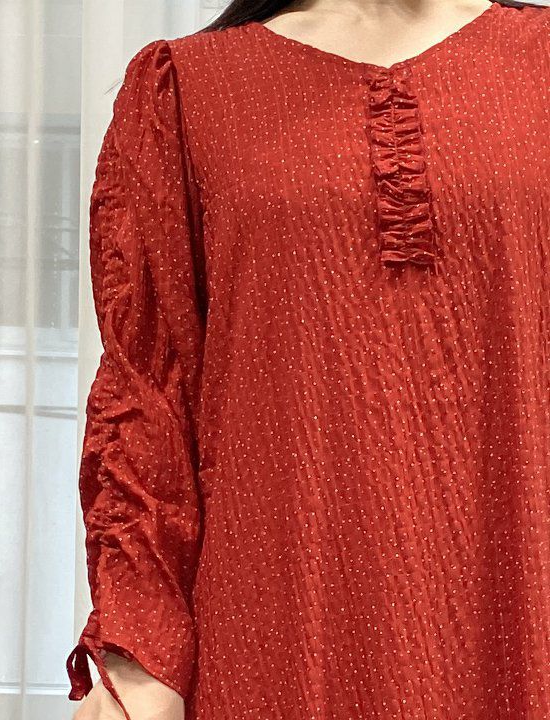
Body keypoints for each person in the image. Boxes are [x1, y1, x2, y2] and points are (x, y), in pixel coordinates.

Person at [67, 0, 550, 718]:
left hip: (519, 607)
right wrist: (139, 659)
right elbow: (147, 400)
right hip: (273, 625)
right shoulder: (190, 90)